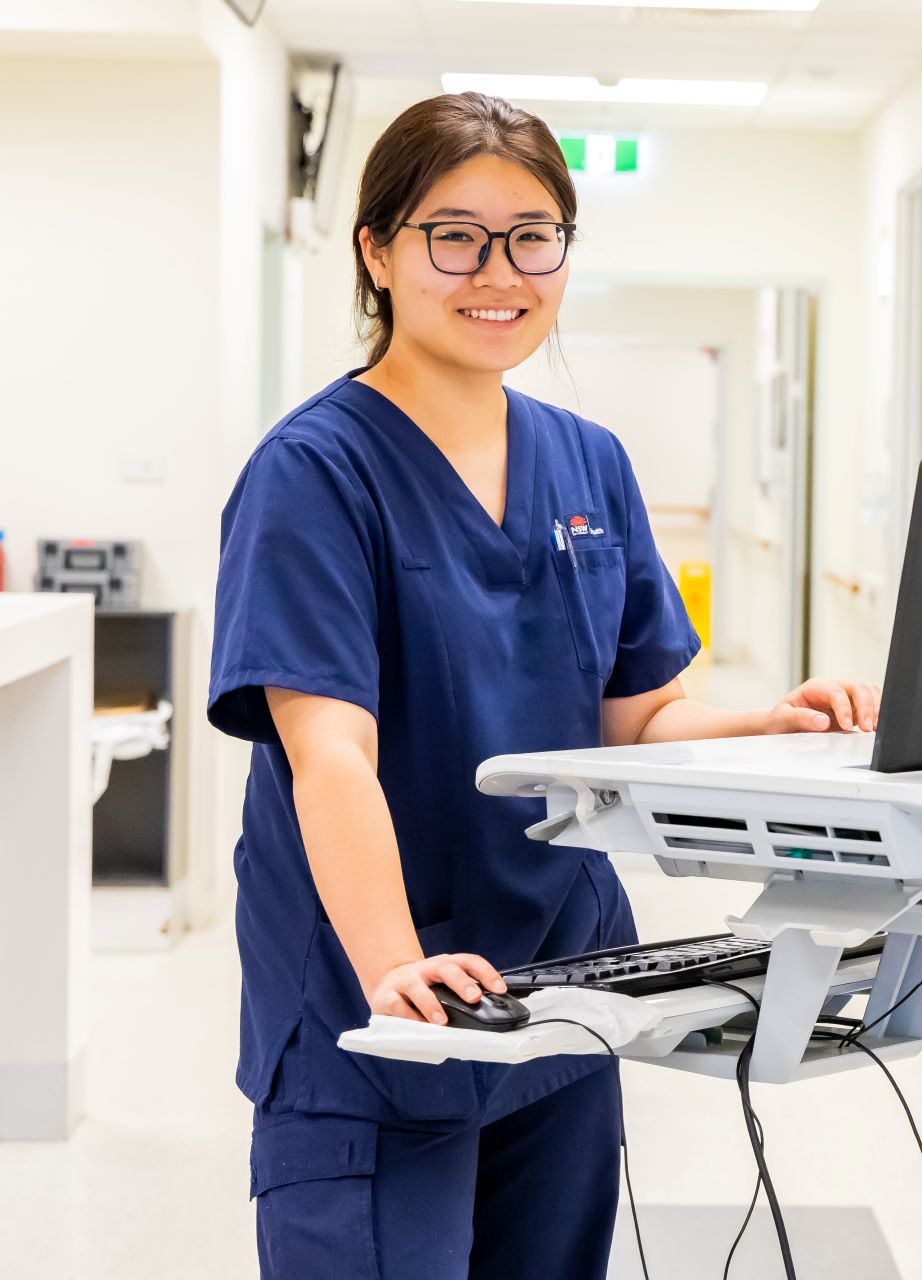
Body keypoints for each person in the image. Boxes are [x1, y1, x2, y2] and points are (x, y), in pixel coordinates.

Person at [208, 92, 878, 1279]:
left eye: (534, 234)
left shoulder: (589, 460)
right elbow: (330, 754)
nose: (498, 270)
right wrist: (389, 958)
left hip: (565, 987)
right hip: (387, 1007)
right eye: (454, 234)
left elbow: (633, 712)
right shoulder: (313, 474)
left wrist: (765, 719)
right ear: (379, 248)